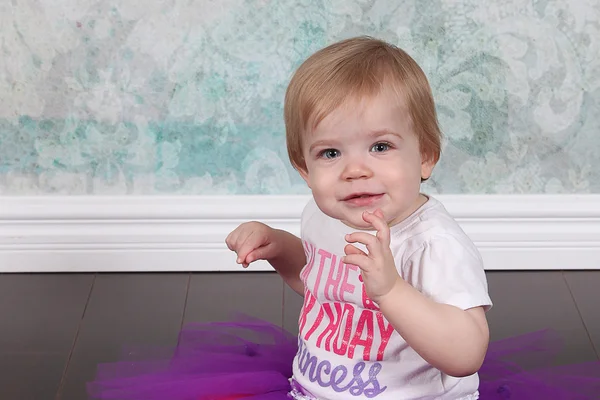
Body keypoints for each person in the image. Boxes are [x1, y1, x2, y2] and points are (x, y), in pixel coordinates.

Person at [88, 37, 600, 400]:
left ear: (425, 156)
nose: (356, 170)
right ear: (303, 168)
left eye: (381, 146)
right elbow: (319, 285)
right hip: (315, 387)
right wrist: (279, 246)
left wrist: (391, 290)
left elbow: (466, 352)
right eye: (330, 153)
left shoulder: (434, 245)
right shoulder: (323, 215)